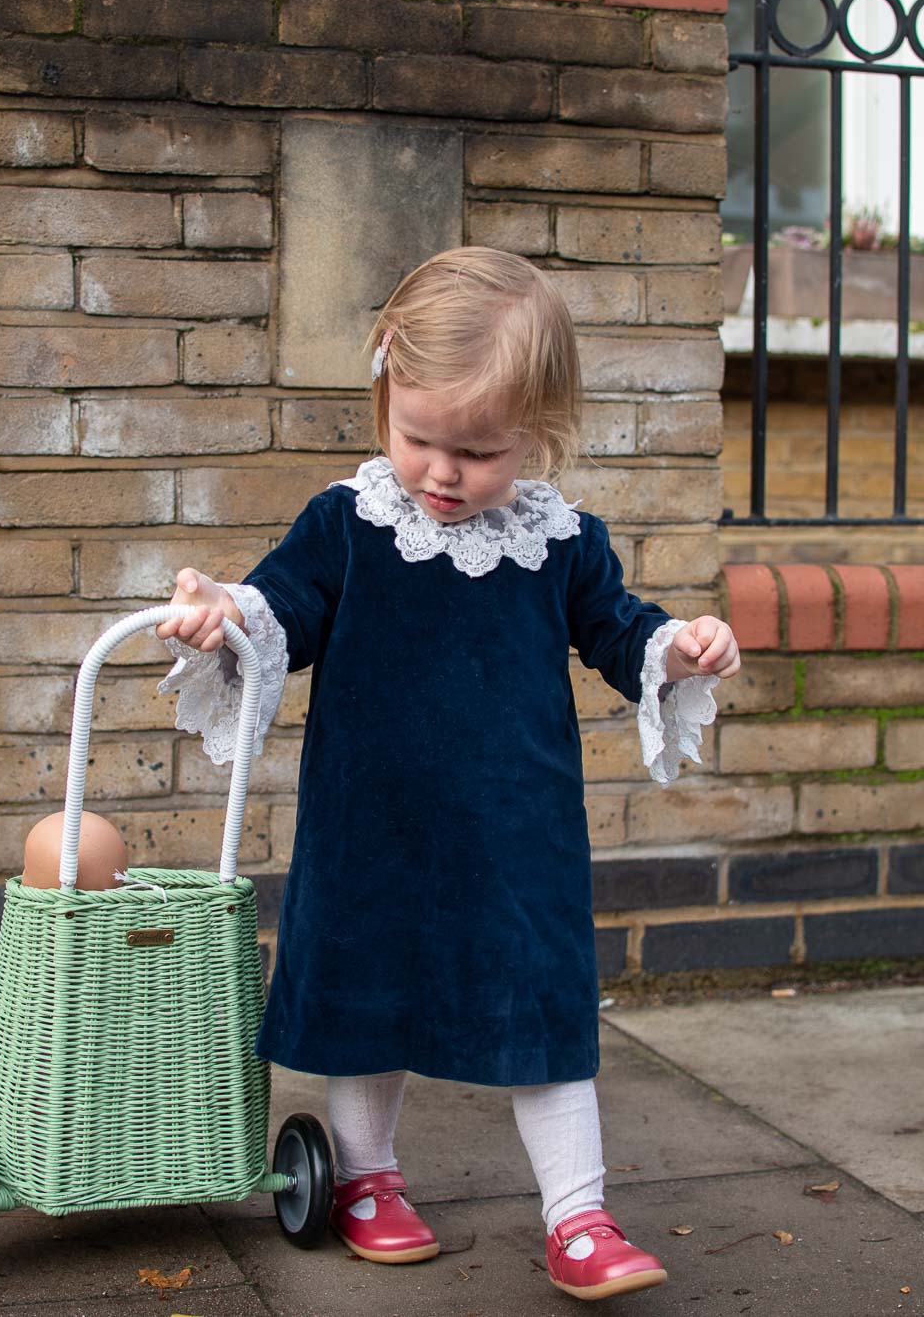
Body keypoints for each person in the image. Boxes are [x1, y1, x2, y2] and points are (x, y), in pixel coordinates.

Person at [157, 246, 740, 1302]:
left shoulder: (558, 540)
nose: (440, 470)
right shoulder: (351, 522)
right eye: (419, 437)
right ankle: (367, 1178)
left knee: (543, 1004)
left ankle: (579, 1214)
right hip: (369, 824)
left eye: (476, 450)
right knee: (366, 989)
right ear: (384, 395)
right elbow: (280, 606)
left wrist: (677, 648)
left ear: (537, 433)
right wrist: (224, 611)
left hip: (515, 835)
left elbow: (619, 631)